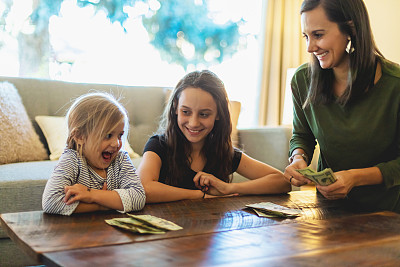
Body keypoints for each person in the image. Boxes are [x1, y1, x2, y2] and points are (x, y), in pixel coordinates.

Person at [285, 0, 400, 212]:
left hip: (388, 214)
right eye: (306, 36)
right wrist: (299, 157)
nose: (310, 47)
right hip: (328, 210)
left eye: (318, 35)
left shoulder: (395, 84)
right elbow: (302, 134)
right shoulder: (302, 80)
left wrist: (355, 177)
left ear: (351, 29)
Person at [138, 70, 291, 203]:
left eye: (204, 114)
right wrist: (200, 195)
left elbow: (282, 182)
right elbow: (142, 188)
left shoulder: (223, 152)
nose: (193, 122)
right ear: (175, 108)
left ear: (218, 114)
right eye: (186, 112)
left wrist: (229, 188)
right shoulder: (159, 145)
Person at [42, 92, 146, 215]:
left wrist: (91, 195)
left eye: (120, 135)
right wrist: (103, 205)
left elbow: (138, 197)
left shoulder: (121, 160)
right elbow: (51, 202)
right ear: (80, 136)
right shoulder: (72, 160)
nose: (116, 143)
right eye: (108, 135)